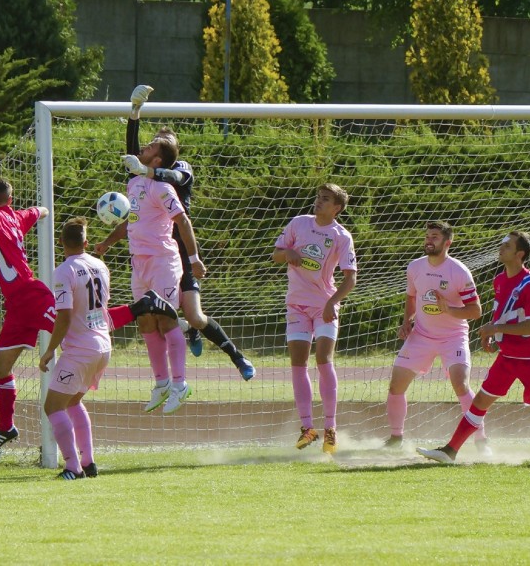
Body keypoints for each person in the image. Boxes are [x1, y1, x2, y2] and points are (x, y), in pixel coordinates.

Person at [0, 178, 176, 454]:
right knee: (0, 366)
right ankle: (6, 427)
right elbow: (42, 210)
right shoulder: (18, 216)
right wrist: (31, 214)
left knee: (78, 325)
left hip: (31, 296)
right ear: (10, 200)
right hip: (16, 305)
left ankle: (140, 306)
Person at [417, 231, 530, 464]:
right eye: (502, 244)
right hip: (508, 357)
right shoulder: (500, 279)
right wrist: (493, 336)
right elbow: (501, 314)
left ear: (519, 254)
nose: (501, 248)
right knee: (480, 401)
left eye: (507, 246)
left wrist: (494, 328)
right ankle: (450, 451)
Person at [120, 84, 255, 381]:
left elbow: (173, 175)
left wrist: (147, 171)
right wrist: (134, 113)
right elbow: (134, 157)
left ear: (170, 149)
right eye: (155, 139)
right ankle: (172, 364)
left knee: (195, 315)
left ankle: (236, 355)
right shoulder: (143, 180)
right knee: (156, 317)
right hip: (157, 255)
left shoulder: (180, 168)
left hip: (178, 253)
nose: (156, 142)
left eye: (162, 141)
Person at [96, 133, 206, 415]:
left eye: (150, 146)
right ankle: (162, 383)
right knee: (145, 322)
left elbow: (182, 220)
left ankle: (180, 385)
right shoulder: (133, 183)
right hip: (140, 264)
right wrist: (107, 242)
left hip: (163, 262)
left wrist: (194, 259)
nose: (143, 147)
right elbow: (131, 221)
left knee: (166, 320)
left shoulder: (163, 188)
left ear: (157, 159)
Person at [384, 221, 490, 455]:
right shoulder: (415, 267)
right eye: (427, 236)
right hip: (421, 335)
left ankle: (481, 439)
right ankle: (395, 438)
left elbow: (475, 311)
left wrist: (448, 309)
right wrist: (406, 321)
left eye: (434, 237)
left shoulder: (459, 271)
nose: (429, 241)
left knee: (460, 383)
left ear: (447, 243)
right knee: (395, 384)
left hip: (453, 337)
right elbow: (411, 297)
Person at [272, 183, 357, 455]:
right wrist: (288, 254)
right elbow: (276, 255)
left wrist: (333, 302)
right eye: (318, 197)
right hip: (296, 305)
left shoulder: (341, 236)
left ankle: (331, 428)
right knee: (298, 363)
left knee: (323, 359)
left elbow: (350, 278)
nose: (319, 202)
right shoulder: (298, 223)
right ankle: (308, 429)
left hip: (324, 305)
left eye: (326, 199)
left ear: (337, 208)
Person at [39, 218, 111, 480]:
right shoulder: (100, 265)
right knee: (73, 401)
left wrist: (49, 350)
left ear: (60, 242)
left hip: (81, 350)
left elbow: (65, 316)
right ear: (86, 242)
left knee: (52, 407)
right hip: (103, 346)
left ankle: (72, 467)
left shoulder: (63, 271)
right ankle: (89, 463)